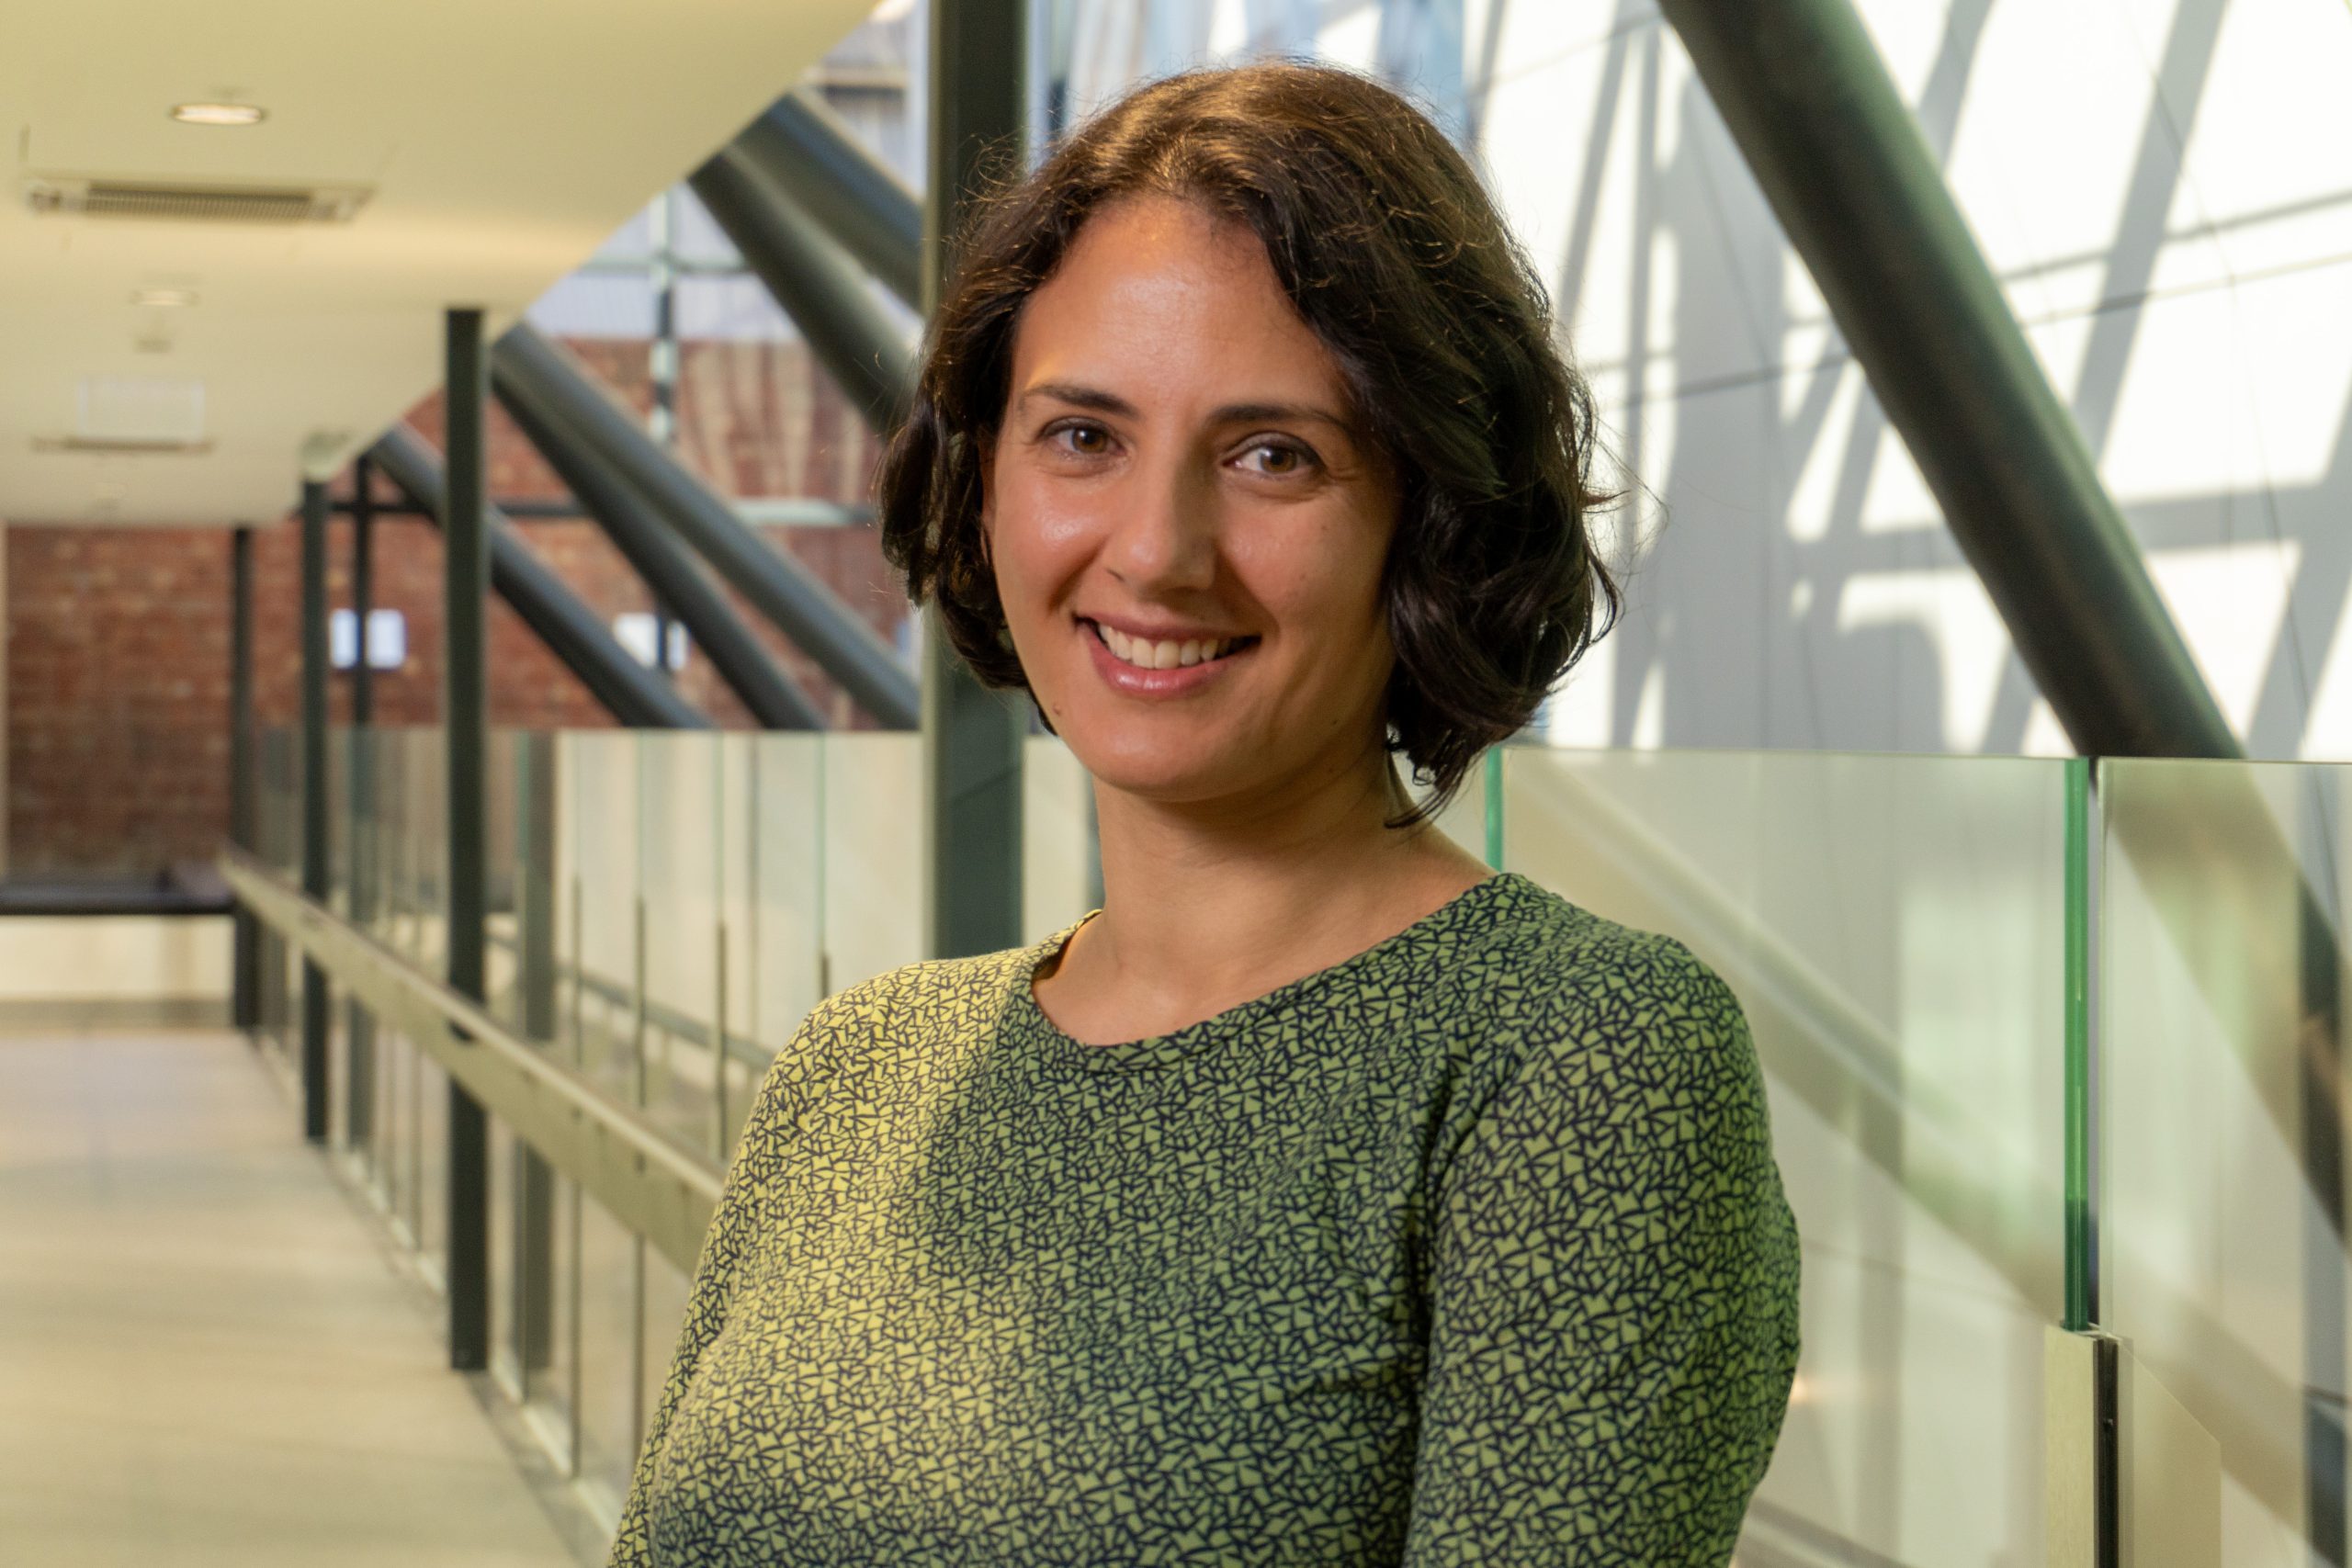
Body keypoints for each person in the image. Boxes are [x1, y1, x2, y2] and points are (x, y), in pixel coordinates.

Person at [607, 62, 1798, 1567]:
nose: (1157, 551)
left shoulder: (1576, 1063)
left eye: (1270, 456)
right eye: (1082, 436)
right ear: (986, 483)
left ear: (1431, 517)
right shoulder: (859, 1073)